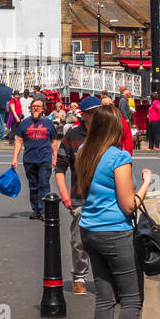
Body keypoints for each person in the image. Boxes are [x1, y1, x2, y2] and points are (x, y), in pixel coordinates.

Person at [74, 106, 155, 319]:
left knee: (105, 298)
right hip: (115, 234)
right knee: (132, 299)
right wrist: (146, 183)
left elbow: (82, 192)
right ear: (115, 129)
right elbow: (129, 204)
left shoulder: (84, 151)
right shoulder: (119, 157)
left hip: (90, 231)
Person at [54, 95, 102, 296]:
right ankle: (79, 276)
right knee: (79, 241)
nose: (97, 116)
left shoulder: (106, 135)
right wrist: (64, 194)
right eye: (93, 113)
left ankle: (103, 277)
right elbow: (59, 168)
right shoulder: (72, 136)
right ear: (84, 115)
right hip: (79, 197)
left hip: (104, 198)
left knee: (103, 240)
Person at [11, 97, 59, 220]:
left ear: (43, 109)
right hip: (29, 160)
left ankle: (44, 211)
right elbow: (18, 141)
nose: (35, 108)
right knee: (33, 185)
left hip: (44, 160)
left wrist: (55, 158)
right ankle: (36, 210)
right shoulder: (24, 123)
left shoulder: (49, 123)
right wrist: (15, 158)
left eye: (38, 106)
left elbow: (54, 142)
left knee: (43, 184)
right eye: (33, 106)